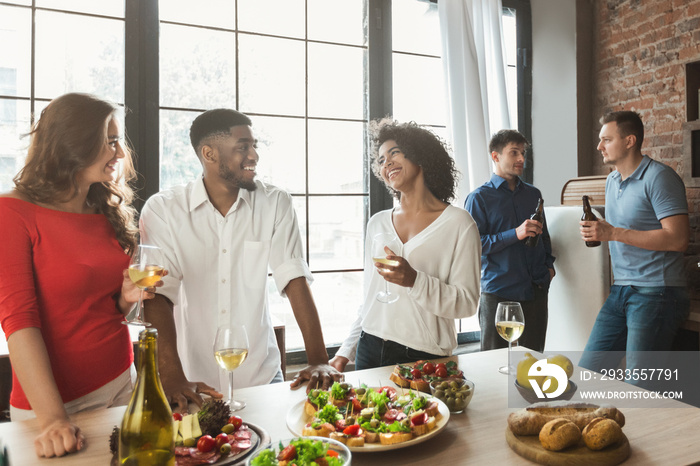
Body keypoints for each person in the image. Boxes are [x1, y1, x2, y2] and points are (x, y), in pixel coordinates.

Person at [139, 108, 341, 410]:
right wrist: (171, 376)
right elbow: (157, 296)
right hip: (193, 383)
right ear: (209, 153)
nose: (254, 155)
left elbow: (293, 277)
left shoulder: (275, 203)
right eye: (243, 147)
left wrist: (318, 359)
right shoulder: (163, 210)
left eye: (254, 145)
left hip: (261, 376)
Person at [0, 93, 160, 458]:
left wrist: (126, 297)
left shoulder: (104, 210)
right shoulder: (12, 212)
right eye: (110, 141)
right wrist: (53, 419)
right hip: (54, 409)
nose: (120, 153)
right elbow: (19, 322)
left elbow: (105, 310)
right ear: (73, 142)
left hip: (123, 383)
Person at [329, 118, 481, 371]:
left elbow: (466, 303)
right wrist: (346, 350)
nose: (386, 162)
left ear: (419, 156)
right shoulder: (377, 223)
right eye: (380, 160)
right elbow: (370, 297)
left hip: (425, 356)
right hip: (370, 348)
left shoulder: (459, 224)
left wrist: (414, 280)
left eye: (394, 153)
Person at [578, 110, 689, 374]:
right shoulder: (612, 179)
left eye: (607, 139)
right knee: (588, 373)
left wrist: (613, 233)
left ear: (629, 141)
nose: (599, 146)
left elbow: (678, 239)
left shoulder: (659, 177)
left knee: (640, 383)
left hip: (657, 292)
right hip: (621, 290)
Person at [465, 129, 555, 353]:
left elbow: (544, 236)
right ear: (495, 156)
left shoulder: (534, 194)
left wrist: (549, 268)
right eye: (514, 153)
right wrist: (515, 233)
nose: (521, 159)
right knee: (493, 364)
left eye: (522, 153)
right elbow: (474, 246)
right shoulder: (479, 198)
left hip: (535, 290)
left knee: (532, 362)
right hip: (499, 294)